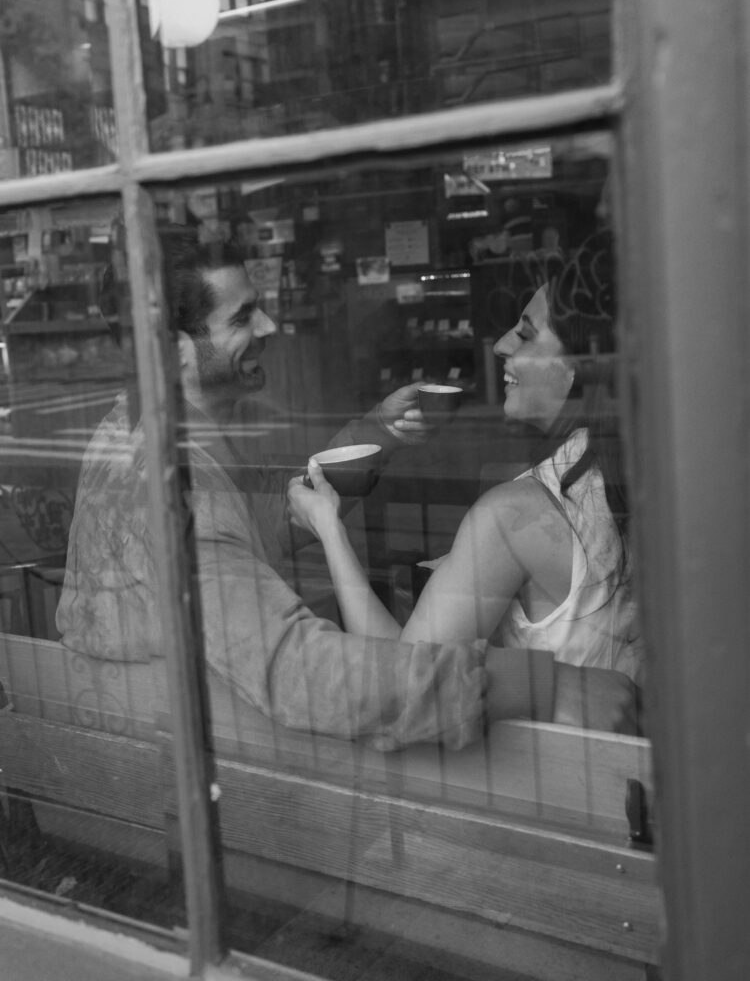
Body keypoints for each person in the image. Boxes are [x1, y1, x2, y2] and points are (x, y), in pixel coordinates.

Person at [56, 240, 637, 751]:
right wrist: (541, 684)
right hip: (200, 769)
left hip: (187, 745)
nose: (269, 328)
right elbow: (303, 673)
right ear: (173, 351)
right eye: (242, 317)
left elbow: (256, 528)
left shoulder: (156, 436)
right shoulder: (169, 486)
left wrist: (376, 435)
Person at [288, 253, 644, 693]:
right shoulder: (651, 475)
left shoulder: (515, 514)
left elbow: (404, 679)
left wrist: (327, 526)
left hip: (557, 758)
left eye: (526, 335)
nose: (501, 345)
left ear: (576, 369)